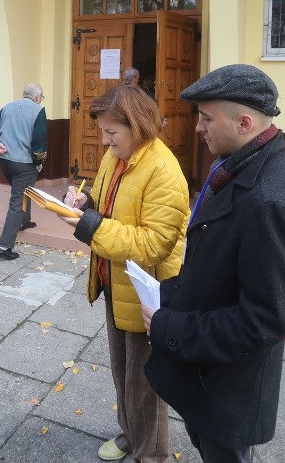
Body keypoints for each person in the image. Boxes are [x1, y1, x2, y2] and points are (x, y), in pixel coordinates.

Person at [142, 64, 285, 462]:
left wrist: (172, 328)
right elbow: (217, 267)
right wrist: (168, 294)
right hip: (212, 378)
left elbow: (265, 319)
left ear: (245, 122)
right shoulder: (237, 168)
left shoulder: (270, 203)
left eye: (206, 118)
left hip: (232, 391)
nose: (198, 127)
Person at [61, 84, 189, 462]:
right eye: (103, 131)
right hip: (116, 282)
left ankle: (151, 455)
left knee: (146, 384)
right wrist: (85, 203)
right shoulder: (116, 157)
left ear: (137, 126)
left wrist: (89, 225)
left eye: (111, 132)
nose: (105, 140)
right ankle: (129, 436)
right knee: (123, 373)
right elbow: (107, 202)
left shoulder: (163, 171)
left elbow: (154, 245)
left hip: (148, 294)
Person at [0, 82, 47, 259]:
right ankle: (4, 247)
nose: (40, 101)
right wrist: (38, 162)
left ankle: (24, 222)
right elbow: (39, 141)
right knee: (18, 201)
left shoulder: (8, 106)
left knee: (23, 192)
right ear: (36, 97)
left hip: (3, 160)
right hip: (23, 164)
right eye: (41, 98)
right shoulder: (38, 110)